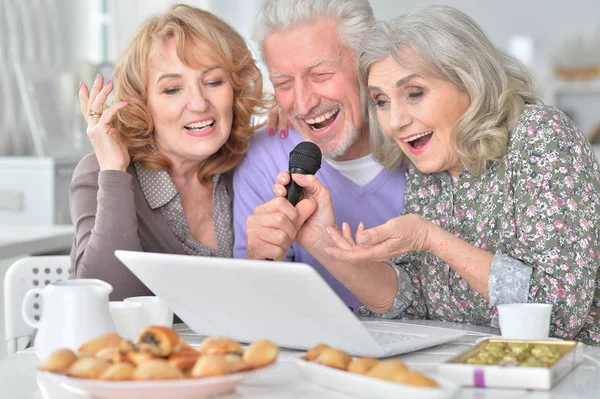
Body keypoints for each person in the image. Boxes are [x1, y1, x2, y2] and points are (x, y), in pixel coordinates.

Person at [312, 5, 600, 345]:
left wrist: (432, 239)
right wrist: (320, 241)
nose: (394, 122)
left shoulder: (540, 136)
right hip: (467, 368)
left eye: (414, 93)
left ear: (469, 81)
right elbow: (410, 303)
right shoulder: (429, 162)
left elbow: (557, 313)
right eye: (381, 101)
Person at [70, 4, 266, 300]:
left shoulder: (245, 167)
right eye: (173, 89)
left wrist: (290, 119)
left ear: (235, 89)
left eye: (213, 82)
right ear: (142, 103)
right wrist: (112, 172)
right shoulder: (100, 173)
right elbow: (104, 299)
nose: (199, 103)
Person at [233, 0, 406, 313]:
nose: (302, 103)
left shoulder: (423, 143)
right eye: (283, 82)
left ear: (367, 61)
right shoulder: (263, 159)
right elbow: (256, 313)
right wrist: (259, 259)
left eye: (322, 74)